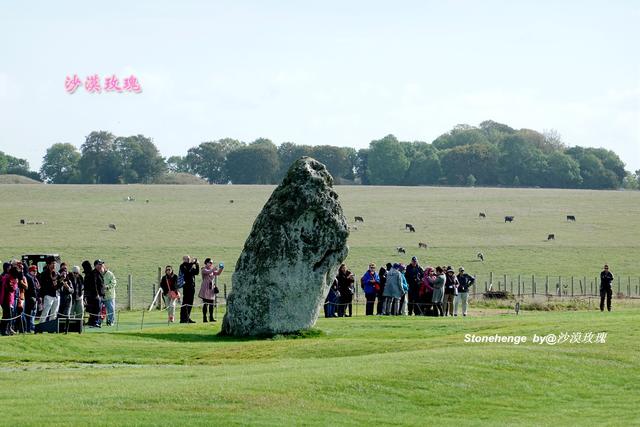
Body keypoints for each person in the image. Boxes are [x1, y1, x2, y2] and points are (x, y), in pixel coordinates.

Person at [197, 258, 223, 323]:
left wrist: (221, 268)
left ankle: (211, 317)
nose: (211, 264)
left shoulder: (211, 270)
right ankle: (204, 318)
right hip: (205, 288)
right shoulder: (203, 269)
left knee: (211, 304)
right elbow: (207, 272)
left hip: (211, 289)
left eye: (212, 263)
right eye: (210, 262)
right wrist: (213, 269)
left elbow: (218, 273)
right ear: (206, 263)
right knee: (205, 304)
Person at [84, 260, 105, 328]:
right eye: (99, 264)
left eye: (101, 264)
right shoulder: (94, 273)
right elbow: (94, 285)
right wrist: (97, 294)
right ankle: (95, 322)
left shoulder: (99, 273)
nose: (100, 266)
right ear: (95, 265)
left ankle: (94, 322)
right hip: (96, 295)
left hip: (100, 295)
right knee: (96, 309)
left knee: (97, 309)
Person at [179, 256, 200, 323]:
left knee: (190, 302)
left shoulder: (191, 266)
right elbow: (187, 270)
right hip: (186, 286)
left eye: (189, 259)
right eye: (187, 259)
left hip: (192, 286)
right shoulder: (182, 266)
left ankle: (187, 317)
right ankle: (182, 318)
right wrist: (192, 263)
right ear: (184, 259)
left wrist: (197, 265)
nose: (188, 260)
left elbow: (196, 272)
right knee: (185, 302)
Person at [39, 257, 59, 323]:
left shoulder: (56, 273)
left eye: (54, 263)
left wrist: (61, 281)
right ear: (48, 264)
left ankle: (51, 327)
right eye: (52, 263)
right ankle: (41, 326)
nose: (54, 265)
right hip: (48, 295)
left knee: (54, 313)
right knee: (45, 312)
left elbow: (58, 286)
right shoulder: (44, 274)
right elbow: (44, 286)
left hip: (56, 295)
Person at [23, 265, 40, 333]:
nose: (35, 272)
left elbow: (38, 288)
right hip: (30, 298)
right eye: (33, 271)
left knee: (33, 314)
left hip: (35, 298)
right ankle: (29, 328)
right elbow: (32, 290)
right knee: (29, 314)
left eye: (36, 271)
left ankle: (31, 327)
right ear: (30, 271)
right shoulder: (29, 278)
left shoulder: (35, 279)